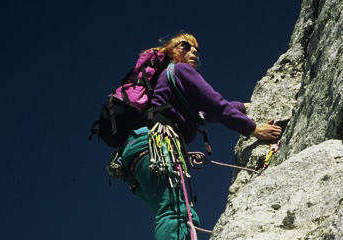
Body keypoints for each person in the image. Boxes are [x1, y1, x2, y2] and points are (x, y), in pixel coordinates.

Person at [121, 33, 282, 240]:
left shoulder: (167, 83)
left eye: (195, 48)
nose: (193, 51)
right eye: (185, 45)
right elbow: (213, 103)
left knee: (178, 212)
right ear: (171, 51)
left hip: (134, 155)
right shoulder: (180, 70)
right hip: (156, 145)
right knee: (176, 213)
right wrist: (252, 129)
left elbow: (204, 113)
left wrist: (243, 106)